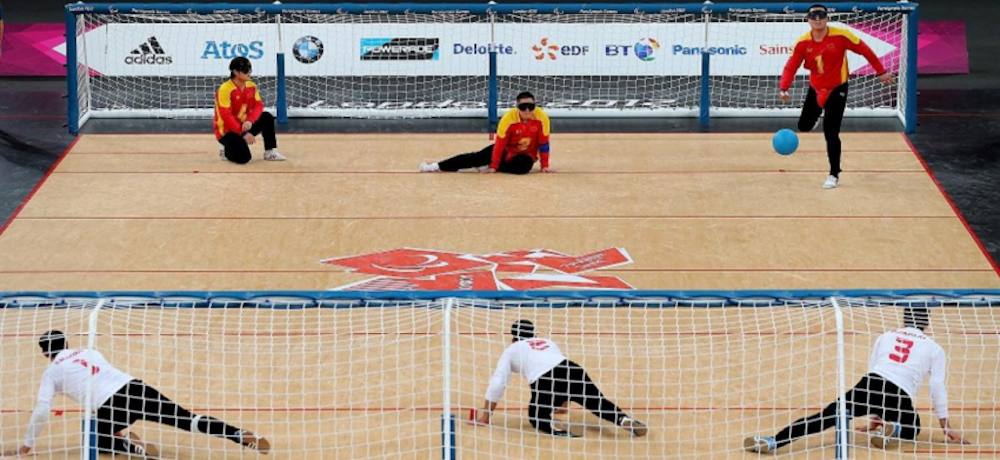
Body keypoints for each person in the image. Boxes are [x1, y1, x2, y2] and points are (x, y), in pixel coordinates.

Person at [1, 330, 271, 457]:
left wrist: (26, 447)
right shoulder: (90, 352)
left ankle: (132, 445)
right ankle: (239, 434)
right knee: (187, 419)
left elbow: (41, 411)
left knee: (96, 441)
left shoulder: (52, 373)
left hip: (109, 405)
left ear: (46, 353)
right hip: (137, 388)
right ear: (67, 343)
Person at [744, 307, 970, 454]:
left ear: (904, 318)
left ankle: (774, 441)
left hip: (869, 384)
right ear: (926, 322)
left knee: (825, 417)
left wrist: (873, 416)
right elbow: (936, 386)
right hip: (899, 395)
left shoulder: (887, 335)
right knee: (914, 428)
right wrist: (945, 425)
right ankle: (895, 428)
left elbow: (874, 369)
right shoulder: (934, 348)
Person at [779, 4, 894, 189]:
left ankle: (834, 174)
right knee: (804, 126)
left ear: (827, 18)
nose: (817, 18)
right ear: (808, 19)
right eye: (813, 15)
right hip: (815, 89)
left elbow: (865, 50)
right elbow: (791, 66)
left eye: (821, 15)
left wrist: (880, 72)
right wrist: (783, 88)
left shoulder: (841, 36)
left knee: (831, 132)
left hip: (837, 89)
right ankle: (815, 117)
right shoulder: (802, 43)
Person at [471, 319, 647, 437]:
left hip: (545, 379)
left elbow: (498, 383)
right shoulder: (548, 342)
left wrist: (486, 416)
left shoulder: (512, 349)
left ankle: (554, 426)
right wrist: (562, 406)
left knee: (536, 416)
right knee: (597, 402)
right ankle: (623, 419)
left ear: (513, 338)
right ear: (534, 333)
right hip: (573, 368)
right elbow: (563, 377)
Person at [420, 92, 555, 174]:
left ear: (535, 106)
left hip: (526, 154)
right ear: (517, 107)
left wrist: (545, 165)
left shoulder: (542, 118)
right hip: (506, 151)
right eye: (522, 107)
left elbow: (543, 144)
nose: (527, 110)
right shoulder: (508, 119)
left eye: (530, 107)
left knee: (523, 168)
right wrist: (494, 166)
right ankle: (436, 166)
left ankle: (488, 165)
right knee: (475, 157)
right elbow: (500, 144)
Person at [215, 56, 285, 164]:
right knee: (244, 159)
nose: (249, 72)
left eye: (250, 69)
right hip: (227, 130)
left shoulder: (251, 86)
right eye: (245, 70)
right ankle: (226, 149)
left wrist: (250, 120)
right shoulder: (225, 89)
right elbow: (226, 116)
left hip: (244, 124)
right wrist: (243, 134)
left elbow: (258, 105)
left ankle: (270, 151)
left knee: (266, 117)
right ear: (235, 72)